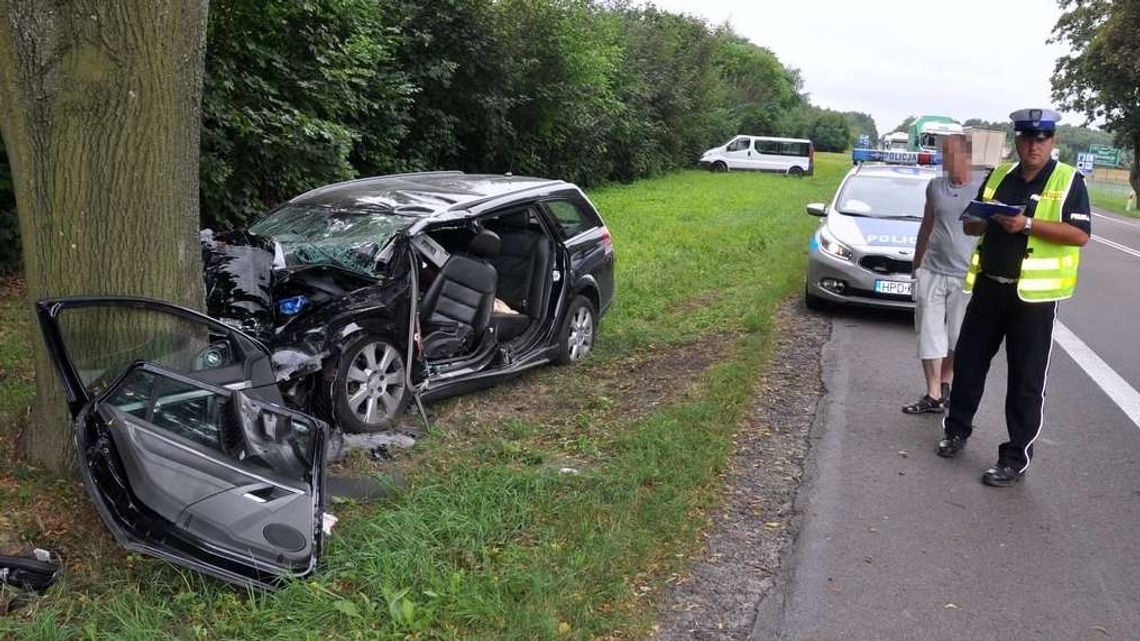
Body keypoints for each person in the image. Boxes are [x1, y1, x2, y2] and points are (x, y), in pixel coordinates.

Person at [935, 108, 1091, 487]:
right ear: (1017, 141)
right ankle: (956, 430)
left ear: (1052, 142)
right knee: (969, 363)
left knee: (1025, 380)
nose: (1033, 146)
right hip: (990, 286)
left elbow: (1080, 234)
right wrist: (980, 217)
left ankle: (1013, 458)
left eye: (1041, 139)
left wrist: (1029, 224)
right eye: (1026, 139)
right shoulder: (1001, 174)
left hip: (1033, 300)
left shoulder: (1069, 179)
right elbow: (974, 224)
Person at [902, 134, 984, 415]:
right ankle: (933, 392)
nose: (946, 160)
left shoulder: (983, 187)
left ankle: (946, 381)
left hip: (967, 274)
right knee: (928, 332)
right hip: (933, 269)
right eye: (944, 154)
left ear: (968, 156)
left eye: (952, 154)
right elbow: (927, 224)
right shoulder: (935, 187)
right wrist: (917, 264)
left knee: (958, 337)